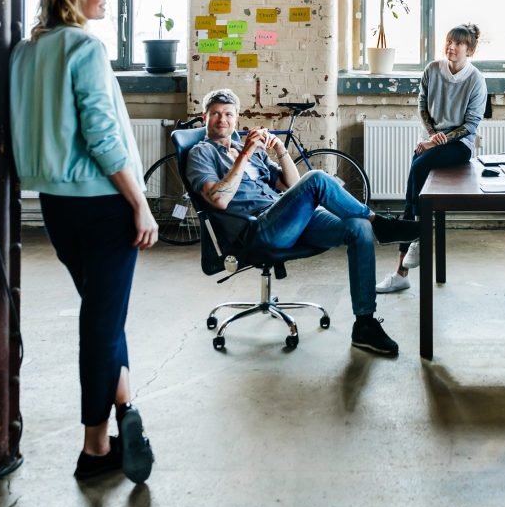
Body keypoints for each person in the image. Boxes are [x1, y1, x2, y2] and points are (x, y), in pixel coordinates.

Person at [10, 0, 158, 484]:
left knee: (103, 316)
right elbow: (102, 136)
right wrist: (139, 202)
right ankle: (96, 449)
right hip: (103, 205)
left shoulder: (26, 52)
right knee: (101, 324)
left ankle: (125, 410)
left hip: (56, 206)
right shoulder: (85, 48)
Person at [186, 87, 419, 356]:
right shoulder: (201, 153)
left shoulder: (246, 147)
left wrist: (280, 151)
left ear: (236, 118)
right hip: (258, 230)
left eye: (228, 114)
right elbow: (219, 200)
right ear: (204, 118)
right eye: (215, 114)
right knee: (318, 178)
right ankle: (381, 223)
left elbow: (292, 185)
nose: (222, 120)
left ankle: (364, 324)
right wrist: (244, 156)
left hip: (288, 219)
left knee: (358, 227)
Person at [377, 23, 487, 294]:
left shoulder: (476, 80)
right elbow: (423, 106)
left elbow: (471, 125)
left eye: (458, 43)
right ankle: (413, 240)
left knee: (419, 164)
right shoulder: (432, 70)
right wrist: (431, 136)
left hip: (460, 145)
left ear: (469, 50)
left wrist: (438, 140)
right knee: (418, 168)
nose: (451, 47)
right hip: (434, 140)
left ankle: (410, 248)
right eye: (448, 41)